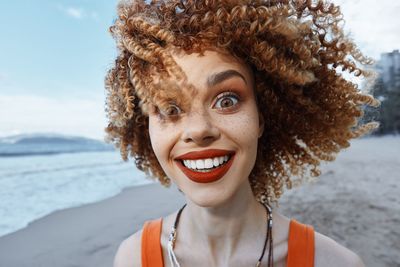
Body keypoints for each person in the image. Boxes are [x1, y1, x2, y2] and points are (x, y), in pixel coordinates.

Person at [105, 0, 380, 266]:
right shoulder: (132, 259)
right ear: (146, 127)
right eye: (169, 107)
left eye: (227, 100)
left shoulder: (334, 263)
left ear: (261, 117)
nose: (199, 130)